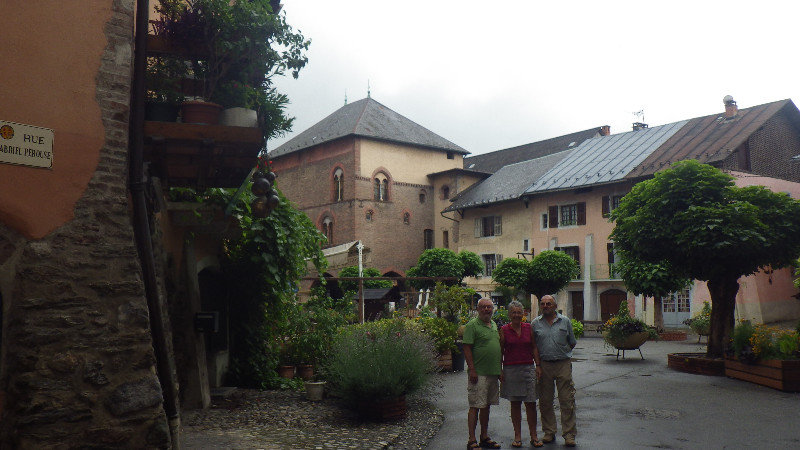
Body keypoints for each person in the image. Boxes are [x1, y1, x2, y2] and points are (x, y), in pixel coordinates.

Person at [532, 294, 577, 447]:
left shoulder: (565, 321)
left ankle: (569, 434)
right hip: (544, 365)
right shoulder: (535, 324)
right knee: (545, 401)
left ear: (555, 306)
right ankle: (549, 432)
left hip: (563, 364)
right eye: (543, 304)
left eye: (548, 303)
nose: (545, 306)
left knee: (567, 400)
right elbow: (534, 347)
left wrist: (561, 354)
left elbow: (572, 342)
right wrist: (538, 365)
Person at [500, 300, 544, 448]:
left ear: (523, 314)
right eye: (514, 312)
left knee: (531, 403)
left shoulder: (528, 328)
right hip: (511, 370)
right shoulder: (504, 330)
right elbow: (501, 351)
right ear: (509, 314)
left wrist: (537, 365)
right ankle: (517, 436)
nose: (516, 315)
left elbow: (534, 347)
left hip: (528, 368)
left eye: (519, 312)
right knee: (515, 404)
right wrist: (499, 370)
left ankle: (534, 435)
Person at [463, 298, 502, 449]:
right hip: (478, 374)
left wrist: (499, 371)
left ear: (493, 309)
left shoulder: (492, 324)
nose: (487, 309)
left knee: (486, 406)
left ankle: (484, 436)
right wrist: (472, 369)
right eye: (484, 307)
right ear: (478, 309)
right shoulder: (472, 325)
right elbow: (467, 348)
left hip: (492, 373)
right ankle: (472, 439)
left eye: (489, 307)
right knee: (475, 406)